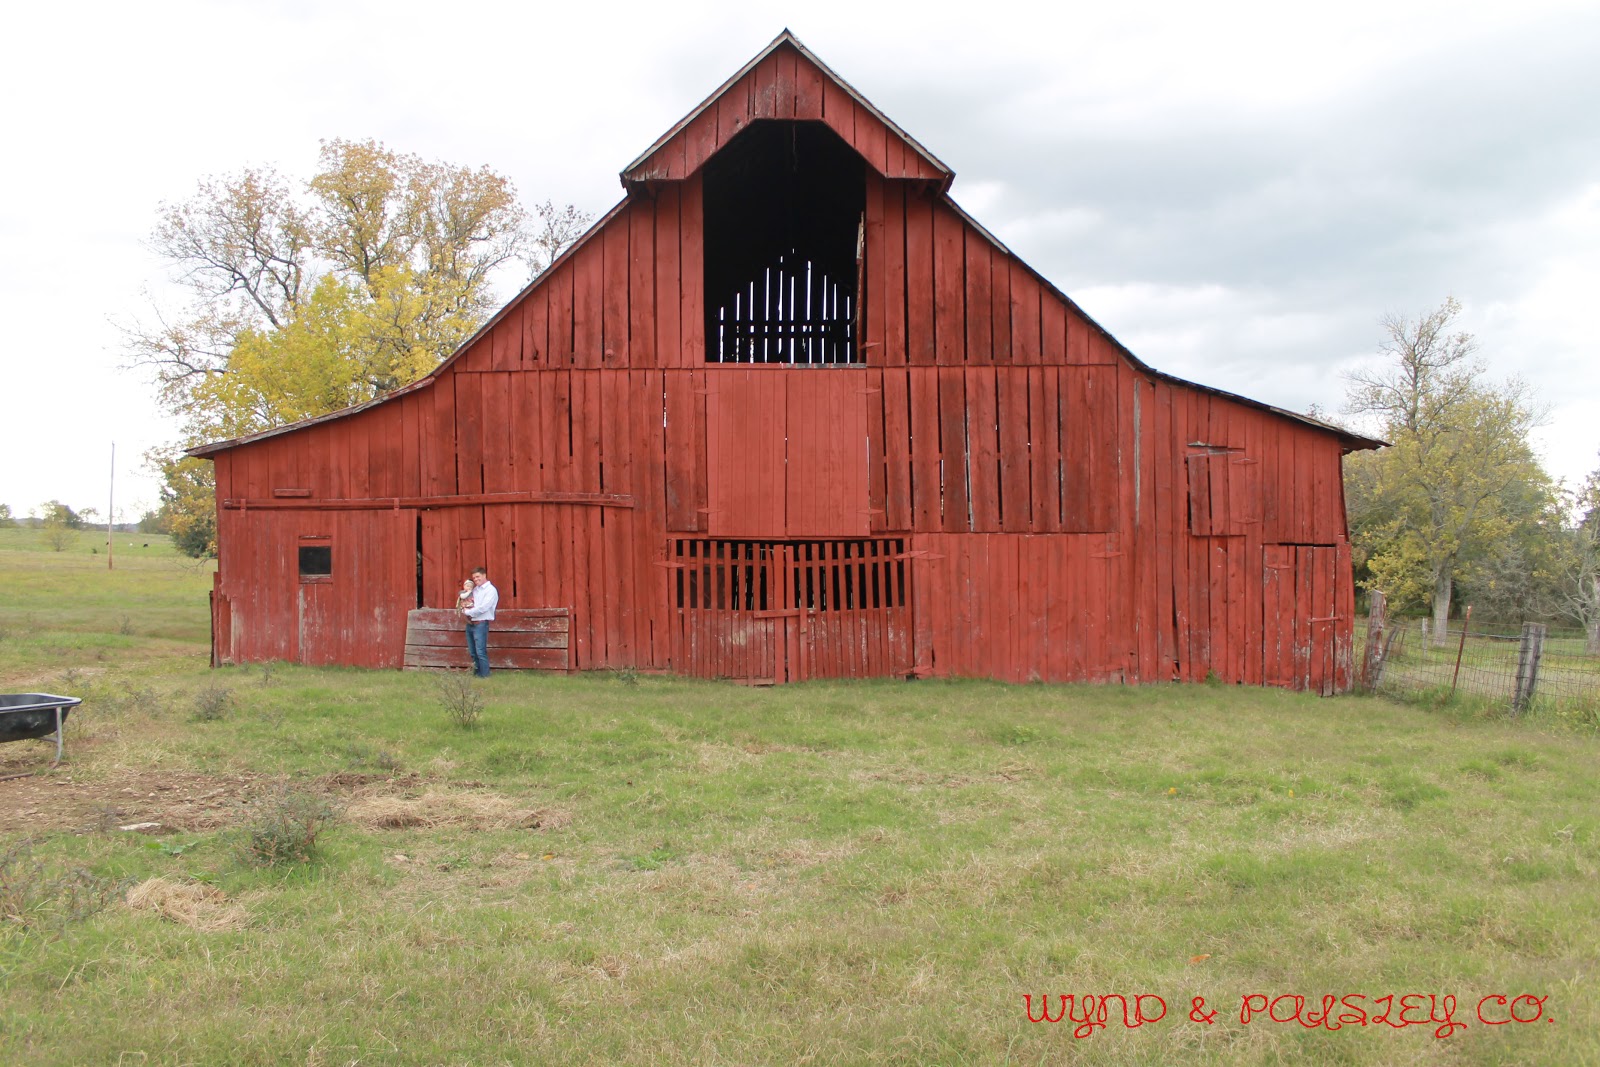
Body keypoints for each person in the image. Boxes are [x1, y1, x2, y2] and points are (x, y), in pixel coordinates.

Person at [461, 566, 499, 677]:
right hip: (471, 623)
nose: (476, 579)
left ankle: (485, 675)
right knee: (473, 652)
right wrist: (464, 607)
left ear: (484, 575)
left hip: (481, 623)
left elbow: (484, 607)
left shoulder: (490, 590)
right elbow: (471, 602)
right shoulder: (475, 589)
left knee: (480, 651)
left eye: (478, 576)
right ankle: (477, 674)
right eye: (474, 578)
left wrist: (468, 613)